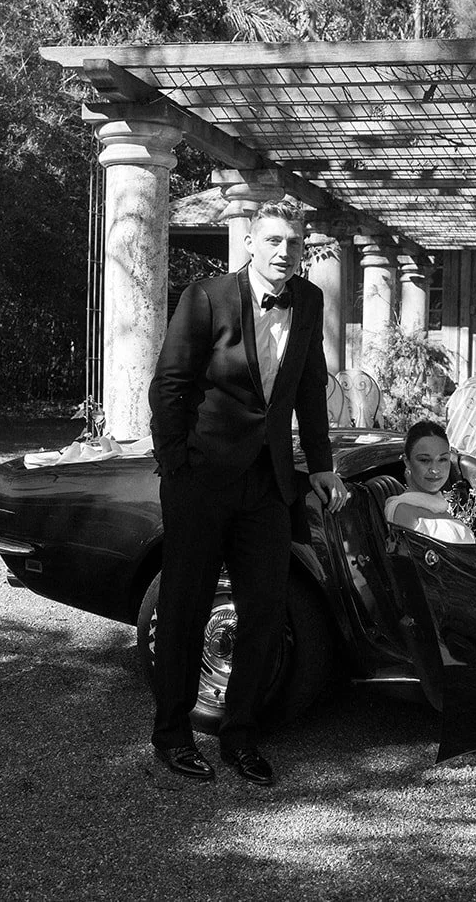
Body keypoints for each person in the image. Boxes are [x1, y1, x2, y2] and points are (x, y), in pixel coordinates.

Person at [147, 199, 349, 787]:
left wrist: (320, 465)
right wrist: (177, 467)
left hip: (268, 485)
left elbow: (310, 388)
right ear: (252, 244)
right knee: (183, 610)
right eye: (274, 240)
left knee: (264, 615)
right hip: (201, 483)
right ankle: (172, 735)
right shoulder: (205, 297)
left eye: (294, 243)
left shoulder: (308, 301)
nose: (285, 252)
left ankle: (239, 737)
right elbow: (169, 388)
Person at [384, 420, 476, 545]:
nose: (435, 469)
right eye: (424, 460)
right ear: (407, 462)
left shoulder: (439, 506)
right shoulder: (403, 510)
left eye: (442, 459)